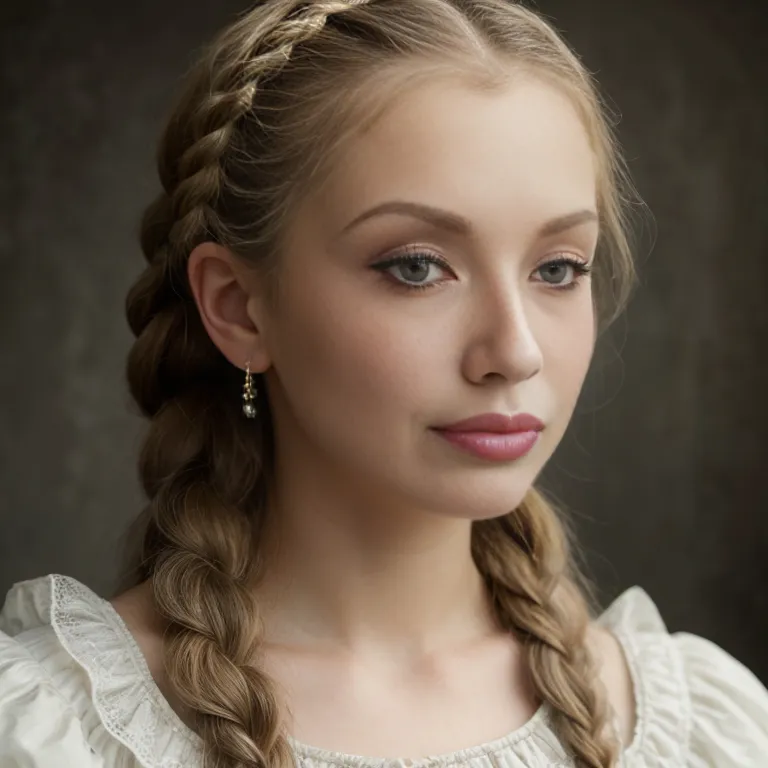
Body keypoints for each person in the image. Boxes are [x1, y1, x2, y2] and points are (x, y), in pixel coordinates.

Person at [2, 0, 767, 766]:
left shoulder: (706, 734)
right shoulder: (51, 735)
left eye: (558, 269)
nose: (515, 350)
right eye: (416, 267)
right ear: (239, 308)